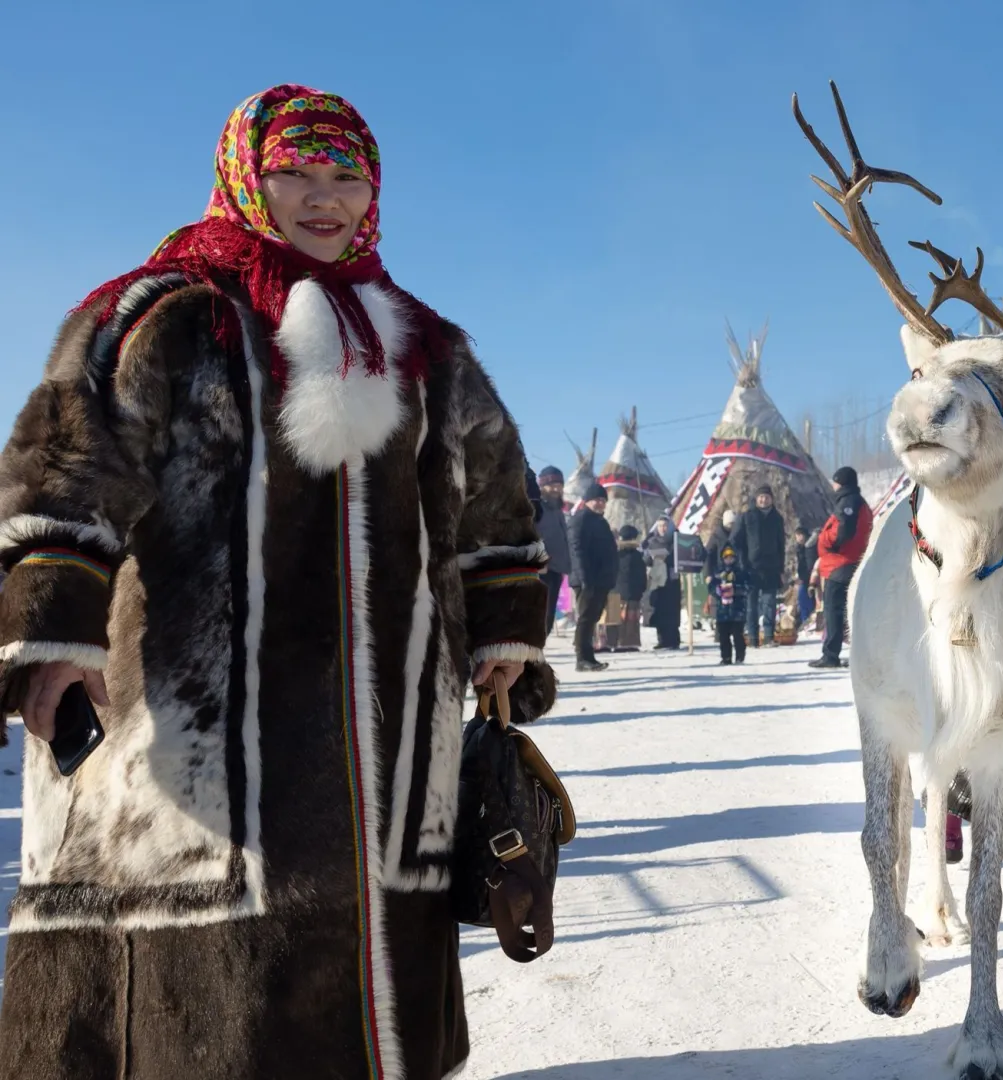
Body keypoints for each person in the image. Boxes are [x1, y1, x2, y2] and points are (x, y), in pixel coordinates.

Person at [0, 85, 555, 1078]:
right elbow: (65, 471)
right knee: (207, 1002)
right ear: (245, 176)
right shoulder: (163, 315)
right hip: (196, 726)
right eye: (295, 171)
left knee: (368, 981)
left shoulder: (426, 345)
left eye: (347, 176)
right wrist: (52, 633)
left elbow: (496, 499)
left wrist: (505, 628)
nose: (324, 198)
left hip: (392, 741)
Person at [810, 467, 872, 670]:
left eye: (835, 482)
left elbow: (843, 530)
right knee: (851, 612)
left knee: (833, 611)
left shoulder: (848, 501)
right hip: (848, 563)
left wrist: (827, 542)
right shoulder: (855, 501)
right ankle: (857, 654)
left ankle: (831, 655)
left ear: (841, 482)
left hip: (841, 564)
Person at [569, 482, 618, 671]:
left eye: (603, 500)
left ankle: (589, 656)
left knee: (592, 617)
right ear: (587, 501)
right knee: (586, 617)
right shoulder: (581, 519)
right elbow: (576, 550)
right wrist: (584, 577)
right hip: (588, 579)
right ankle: (582, 657)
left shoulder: (600, 521)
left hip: (601, 579)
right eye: (596, 500)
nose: (600, 503)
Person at [731, 485, 787, 647]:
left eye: (767, 497)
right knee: (752, 604)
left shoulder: (777, 518)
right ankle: (753, 637)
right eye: (761, 497)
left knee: (769, 603)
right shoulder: (747, 516)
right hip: (750, 567)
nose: (764, 500)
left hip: (771, 566)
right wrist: (741, 562)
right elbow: (735, 541)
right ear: (756, 498)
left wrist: (781, 569)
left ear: (772, 499)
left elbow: (780, 545)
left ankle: (769, 636)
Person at [537, 465, 574, 638]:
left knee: (548, 616)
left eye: (559, 484)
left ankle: (538, 653)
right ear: (542, 486)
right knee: (539, 616)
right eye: (551, 485)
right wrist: (538, 559)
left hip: (557, 568)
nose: (556, 488)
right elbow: (529, 535)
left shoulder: (558, 509)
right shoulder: (536, 508)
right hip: (540, 569)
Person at [643, 515, 683, 650]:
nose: (662, 529)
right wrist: (651, 556)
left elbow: (683, 557)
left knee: (671, 609)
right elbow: (646, 559)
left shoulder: (677, 540)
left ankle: (673, 639)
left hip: (672, 579)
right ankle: (662, 640)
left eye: (665, 526)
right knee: (659, 609)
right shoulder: (652, 541)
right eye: (660, 526)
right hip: (657, 579)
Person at [709, 544, 753, 665]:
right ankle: (726, 657)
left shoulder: (741, 572)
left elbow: (748, 587)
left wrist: (736, 590)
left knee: (737, 635)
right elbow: (711, 587)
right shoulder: (718, 572)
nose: (729, 560)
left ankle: (740, 656)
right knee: (723, 636)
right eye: (726, 558)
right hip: (722, 610)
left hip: (737, 609)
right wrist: (717, 591)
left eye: (731, 557)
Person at [613, 524, 650, 653]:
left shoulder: (616, 554)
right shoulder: (637, 556)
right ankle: (629, 642)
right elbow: (642, 575)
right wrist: (643, 588)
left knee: (618, 619)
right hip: (633, 592)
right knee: (631, 621)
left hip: (616, 590)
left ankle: (616, 641)